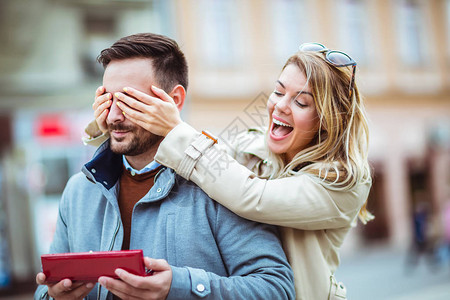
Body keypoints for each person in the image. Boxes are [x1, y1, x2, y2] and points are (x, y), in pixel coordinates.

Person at [87, 42, 374, 299]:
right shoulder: (254, 143)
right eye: (278, 91)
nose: (280, 107)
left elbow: (252, 196)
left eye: (301, 102)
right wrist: (114, 126)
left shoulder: (342, 181)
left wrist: (175, 128)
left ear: (328, 119)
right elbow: (203, 158)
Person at [34, 33, 296, 300]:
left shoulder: (223, 183)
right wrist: (54, 295)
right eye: (108, 100)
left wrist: (180, 286)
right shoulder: (78, 191)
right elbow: (43, 291)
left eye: (129, 101)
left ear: (175, 100)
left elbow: (276, 289)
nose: (113, 116)